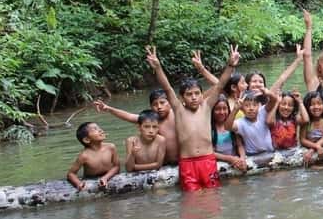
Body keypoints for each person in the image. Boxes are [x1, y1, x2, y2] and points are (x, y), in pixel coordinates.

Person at [146, 44, 239, 192]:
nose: (194, 97)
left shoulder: (207, 107)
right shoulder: (178, 109)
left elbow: (220, 85)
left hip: (207, 159)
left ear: (202, 95)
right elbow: (168, 88)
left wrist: (230, 65)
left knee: (213, 196)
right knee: (191, 200)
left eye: (197, 93)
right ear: (182, 98)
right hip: (187, 162)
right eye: (189, 95)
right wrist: (157, 68)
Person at [93, 89, 178, 165]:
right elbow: (129, 116)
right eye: (155, 104)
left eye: (162, 102)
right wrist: (108, 108)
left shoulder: (178, 114)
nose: (159, 107)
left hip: (182, 160)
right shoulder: (152, 120)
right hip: (164, 164)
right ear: (151, 107)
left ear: (170, 102)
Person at [66, 122, 120, 190]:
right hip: (90, 179)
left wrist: (105, 178)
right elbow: (71, 174)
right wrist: (79, 183)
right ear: (87, 140)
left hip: (108, 176)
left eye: (99, 128)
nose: (100, 130)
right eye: (95, 129)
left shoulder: (111, 147)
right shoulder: (84, 156)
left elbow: (116, 166)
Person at [211, 95, 247, 171]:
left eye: (225, 108)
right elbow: (210, 152)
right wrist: (229, 159)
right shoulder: (209, 129)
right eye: (217, 109)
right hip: (220, 164)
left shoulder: (232, 126)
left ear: (228, 109)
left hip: (235, 160)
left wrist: (242, 158)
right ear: (212, 110)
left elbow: (240, 145)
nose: (222, 112)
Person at [300, 89, 323, 163]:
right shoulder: (306, 121)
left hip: (321, 149)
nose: (316, 107)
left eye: (319, 103)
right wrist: (316, 147)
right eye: (312, 104)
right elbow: (302, 140)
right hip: (308, 149)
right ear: (307, 107)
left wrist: (312, 149)